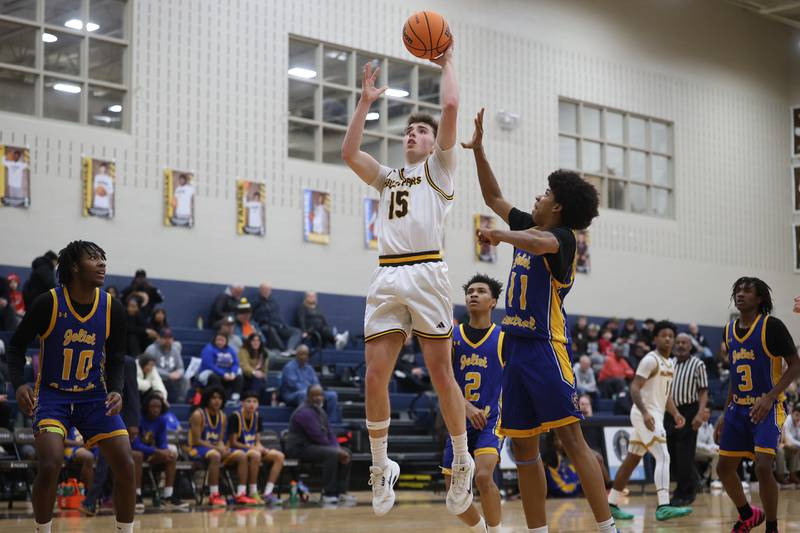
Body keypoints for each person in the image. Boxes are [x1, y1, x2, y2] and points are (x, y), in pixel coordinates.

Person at [466, 107, 615, 533]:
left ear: (559, 206)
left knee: (571, 439)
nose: (538, 196)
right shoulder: (529, 225)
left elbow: (536, 243)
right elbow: (493, 198)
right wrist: (479, 151)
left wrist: (498, 234)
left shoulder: (564, 239)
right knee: (524, 451)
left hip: (547, 350)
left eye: (546, 193)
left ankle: (608, 528)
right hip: (514, 351)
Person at [342, 45, 473, 518]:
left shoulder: (439, 169)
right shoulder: (389, 177)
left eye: (421, 130)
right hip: (387, 274)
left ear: (434, 143)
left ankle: (461, 460)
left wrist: (447, 62)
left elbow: (451, 106)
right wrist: (364, 103)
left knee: (441, 375)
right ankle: (382, 465)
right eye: (408, 131)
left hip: (426, 272)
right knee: (374, 375)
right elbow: (349, 153)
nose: (412, 134)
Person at [6, 240, 135, 533]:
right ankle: (43, 530)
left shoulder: (112, 307)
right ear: (75, 267)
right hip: (53, 396)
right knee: (50, 464)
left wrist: (116, 389)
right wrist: (20, 384)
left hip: (94, 396)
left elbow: (116, 357)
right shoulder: (49, 303)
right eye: (93, 258)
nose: (102, 263)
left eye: (103, 257)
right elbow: (15, 348)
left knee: (126, 463)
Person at [715, 277, 799, 533]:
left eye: (747, 291)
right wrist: (723, 415)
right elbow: (735, 376)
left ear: (760, 298)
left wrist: (771, 396)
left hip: (767, 407)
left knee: (763, 466)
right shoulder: (729, 330)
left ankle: (772, 527)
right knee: (723, 469)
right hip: (737, 407)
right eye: (738, 291)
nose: (740, 294)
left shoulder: (771, 326)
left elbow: (795, 364)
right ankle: (748, 514)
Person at [606, 321, 691, 521]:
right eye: (663, 335)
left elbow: (666, 395)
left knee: (631, 460)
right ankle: (664, 506)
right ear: (655, 339)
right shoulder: (650, 360)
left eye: (671, 335)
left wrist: (675, 413)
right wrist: (644, 413)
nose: (668, 339)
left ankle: (611, 504)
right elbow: (634, 388)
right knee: (663, 456)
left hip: (655, 415)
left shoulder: (670, 363)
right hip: (645, 414)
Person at [443, 274, 505, 533]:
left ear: (493, 302)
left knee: (483, 476)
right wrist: (466, 407)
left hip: (491, 420)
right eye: (470, 291)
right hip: (459, 420)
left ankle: (496, 530)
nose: (474, 295)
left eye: (481, 291)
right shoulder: (452, 336)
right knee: (454, 497)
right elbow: (442, 378)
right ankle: (483, 530)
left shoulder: (503, 337)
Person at [285, 385, 355, 505]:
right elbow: (317, 436)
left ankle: (341, 492)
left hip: (314, 446)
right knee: (332, 454)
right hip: (299, 448)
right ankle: (328, 494)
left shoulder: (320, 411)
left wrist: (338, 448)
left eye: (320, 395)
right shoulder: (304, 412)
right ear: (308, 397)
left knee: (346, 452)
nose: (318, 398)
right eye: (314, 395)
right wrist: (336, 451)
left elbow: (330, 433)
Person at [186, 386, 255, 506]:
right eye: (213, 398)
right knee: (216, 455)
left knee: (241, 455)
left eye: (220, 398)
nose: (217, 401)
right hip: (196, 449)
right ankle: (214, 495)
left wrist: (223, 448)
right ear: (207, 399)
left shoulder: (222, 416)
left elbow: (220, 440)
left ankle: (241, 494)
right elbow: (197, 441)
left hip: (213, 449)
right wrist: (217, 448)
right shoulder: (198, 414)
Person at [665, 332, 709, 505]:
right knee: (672, 454)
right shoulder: (670, 363)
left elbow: (703, 391)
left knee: (685, 454)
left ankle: (685, 493)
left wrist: (700, 414)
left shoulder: (698, 364)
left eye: (684, 343)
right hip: (671, 412)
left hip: (690, 410)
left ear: (690, 346)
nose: (681, 345)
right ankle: (687, 486)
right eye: (678, 342)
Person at [227, 391, 285, 504]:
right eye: (248, 401)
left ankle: (268, 493)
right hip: (237, 450)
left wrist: (262, 448)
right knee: (256, 454)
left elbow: (257, 442)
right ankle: (253, 492)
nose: (252, 404)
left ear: (258, 404)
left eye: (254, 401)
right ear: (242, 403)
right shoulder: (235, 417)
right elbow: (233, 443)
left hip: (251, 450)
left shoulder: (257, 417)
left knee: (279, 456)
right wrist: (253, 448)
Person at [132, 392, 188, 509]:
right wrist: (158, 451)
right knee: (138, 455)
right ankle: (137, 495)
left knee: (171, 457)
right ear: (147, 407)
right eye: (153, 406)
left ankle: (168, 496)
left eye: (158, 407)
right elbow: (136, 445)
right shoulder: (138, 418)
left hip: (150, 453)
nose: (156, 409)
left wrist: (165, 451)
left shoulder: (161, 420)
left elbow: (162, 443)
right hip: (136, 453)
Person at [280, 344, 339, 422]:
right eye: (302, 354)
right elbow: (294, 385)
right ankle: (307, 421)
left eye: (306, 355)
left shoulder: (309, 368)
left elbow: (316, 384)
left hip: (310, 393)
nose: (304, 357)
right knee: (304, 394)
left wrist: (318, 392)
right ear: (297, 355)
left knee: (332, 395)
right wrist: (312, 392)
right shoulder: (289, 367)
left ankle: (330, 422)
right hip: (292, 394)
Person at [253, 282, 302, 353]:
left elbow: (278, 314)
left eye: (268, 290)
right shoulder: (255, 301)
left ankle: (289, 349)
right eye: (264, 290)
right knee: (270, 329)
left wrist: (284, 324)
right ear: (260, 290)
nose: (266, 292)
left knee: (297, 331)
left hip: (279, 325)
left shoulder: (273, 301)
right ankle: (283, 350)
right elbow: (253, 317)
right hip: (266, 326)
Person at [144, 328, 188, 403]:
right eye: (165, 338)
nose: (167, 341)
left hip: (172, 378)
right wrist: (168, 375)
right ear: (159, 339)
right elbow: (149, 367)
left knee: (185, 379)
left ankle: (181, 401)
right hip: (158, 377)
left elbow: (181, 367)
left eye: (169, 338)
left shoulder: (175, 349)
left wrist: (178, 373)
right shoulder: (151, 349)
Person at [197, 331, 243, 405]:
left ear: (226, 341)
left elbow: (235, 362)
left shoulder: (230, 349)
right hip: (211, 373)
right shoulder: (208, 349)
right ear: (214, 340)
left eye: (222, 340)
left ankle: (235, 398)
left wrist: (233, 373)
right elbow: (209, 365)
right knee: (214, 377)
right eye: (218, 340)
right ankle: (220, 397)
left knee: (239, 376)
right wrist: (223, 374)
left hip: (227, 374)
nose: (220, 342)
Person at [694, 407, 722, 490]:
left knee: (719, 453)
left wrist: (718, 448)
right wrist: (710, 448)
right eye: (705, 412)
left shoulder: (710, 427)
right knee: (716, 455)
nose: (706, 414)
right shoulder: (696, 425)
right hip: (695, 451)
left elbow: (712, 443)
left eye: (708, 412)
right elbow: (697, 444)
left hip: (706, 451)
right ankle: (714, 479)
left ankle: (706, 476)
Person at [238, 333, 270, 402]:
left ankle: (256, 401)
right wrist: (254, 372)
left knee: (261, 381)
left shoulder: (264, 352)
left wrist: (262, 374)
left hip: (259, 378)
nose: (256, 343)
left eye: (258, 341)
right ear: (249, 342)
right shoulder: (243, 350)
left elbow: (265, 370)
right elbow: (244, 366)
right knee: (258, 380)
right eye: (253, 340)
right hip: (246, 377)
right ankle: (254, 400)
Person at [63, 428, 96, 492]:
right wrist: (80, 444)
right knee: (88, 457)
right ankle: (89, 493)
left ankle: (106, 493)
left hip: (87, 446)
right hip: (71, 448)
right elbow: (62, 440)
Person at [776, 403, 800, 485]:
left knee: (795, 449)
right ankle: (780, 476)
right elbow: (788, 440)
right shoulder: (787, 420)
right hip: (776, 445)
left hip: (785, 445)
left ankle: (793, 474)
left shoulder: (797, 422)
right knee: (780, 451)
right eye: (796, 415)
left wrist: (798, 427)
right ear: (791, 413)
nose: (798, 417)